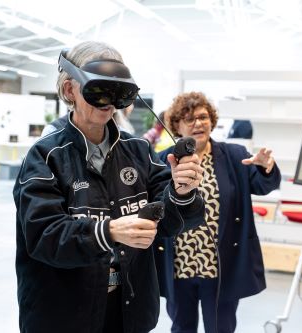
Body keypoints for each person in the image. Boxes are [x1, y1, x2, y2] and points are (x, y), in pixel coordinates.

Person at [13, 41, 205, 333]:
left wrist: (182, 191)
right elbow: (42, 236)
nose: (109, 103)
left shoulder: (139, 151)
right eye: (98, 90)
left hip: (129, 311)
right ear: (69, 90)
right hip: (64, 314)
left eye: (117, 92)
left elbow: (171, 222)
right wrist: (109, 231)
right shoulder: (45, 157)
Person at [154, 91, 281, 333]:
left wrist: (267, 168)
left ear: (212, 120)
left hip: (220, 267)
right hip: (178, 266)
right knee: (181, 327)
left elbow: (263, 185)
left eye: (203, 117)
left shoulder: (234, 156)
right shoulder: (163, 160)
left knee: (221, 328)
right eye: (189, 119)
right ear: (177, 126)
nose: (198, 123)